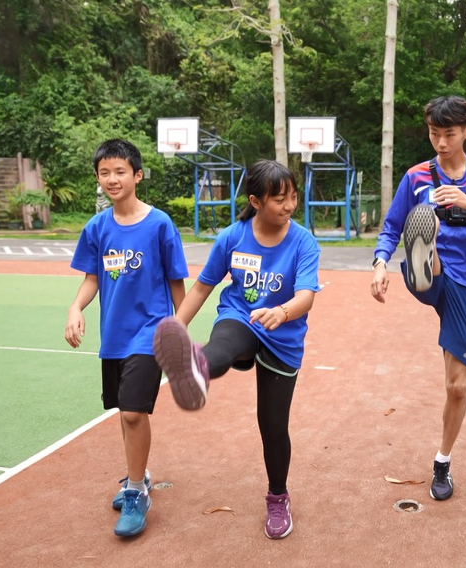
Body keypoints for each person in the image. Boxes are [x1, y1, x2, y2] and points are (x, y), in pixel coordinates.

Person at [152, 159, 320, 540]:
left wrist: (282, 311)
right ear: (256, 201)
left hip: (282, 334)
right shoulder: (232, 236)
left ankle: (278, 497)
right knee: (223, 346)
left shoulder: (303, 241)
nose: (289, 205)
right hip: (242, 316)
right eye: (279, 199)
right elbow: (201, 287)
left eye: (293, 197)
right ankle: (194, 367)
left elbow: (307, 295)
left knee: (272, 425)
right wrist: (177, 326)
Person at [370, 95, 466, 501]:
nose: (441, 142)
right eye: (434, 134)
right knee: (420, 226)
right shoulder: (416, 177)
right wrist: (380, 263)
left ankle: (443, 462)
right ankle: (423, 253)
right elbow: (390, 227)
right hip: (429, 277)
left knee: (457, 386)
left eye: (448, 134)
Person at [64, 139, 189, 537]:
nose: (112, 179)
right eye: (104, 173)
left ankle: (136, 491)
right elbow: (92, 278)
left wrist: (179, 331)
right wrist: (75, 308)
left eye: (120, 171)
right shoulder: (97, 227)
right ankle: (141, 474)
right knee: (124, 411)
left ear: (137, 175)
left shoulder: (159, 224)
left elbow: (176, 283)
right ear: (98, 179)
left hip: (149, 332)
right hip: (113, 336)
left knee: (135, 412)